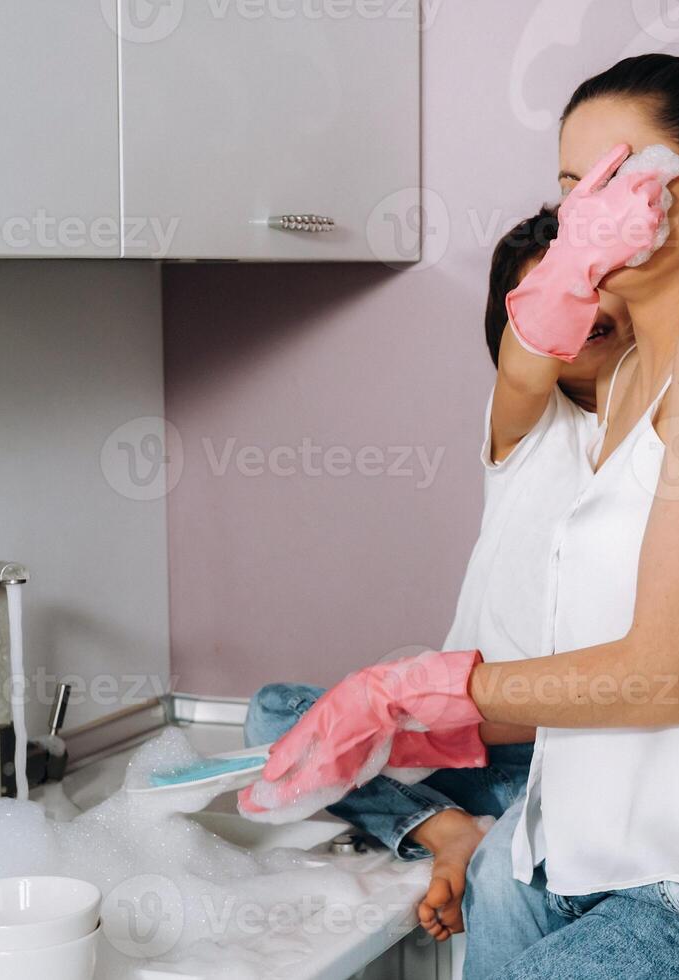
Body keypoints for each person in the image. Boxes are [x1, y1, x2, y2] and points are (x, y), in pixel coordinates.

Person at [240, 54, 679, 980]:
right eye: (577, 187)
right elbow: (529, 368)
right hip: (561, 854)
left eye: (626, 170)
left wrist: (410, 691)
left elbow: (664, 680)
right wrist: (568, 265)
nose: (599, 204)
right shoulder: (619, 385)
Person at [242, 206, 635, 939]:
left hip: (573, 758)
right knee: (275, 715)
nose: (583, 303)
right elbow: (526, 369)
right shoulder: (526, 421)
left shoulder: (659, 445)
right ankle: (443, 827)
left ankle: (476, 842)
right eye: (553, 292)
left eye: (600, 279)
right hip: (460, 741)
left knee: (524, 868)